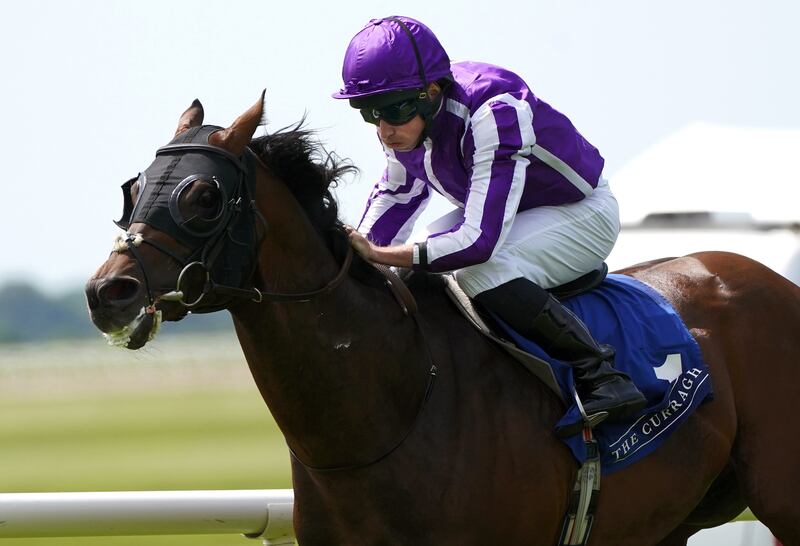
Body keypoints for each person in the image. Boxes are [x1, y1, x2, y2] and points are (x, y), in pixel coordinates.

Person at [332, 16, 646, 437]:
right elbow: (395, 200)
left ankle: (602, 375)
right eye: (369, 113)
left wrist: (382, 255)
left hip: (581, 212)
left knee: (478, 270)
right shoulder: (403, 125)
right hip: (515, 214)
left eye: (393, 110)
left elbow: (479, 243)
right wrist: (353, 260)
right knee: (406, 269)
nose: (384, 129)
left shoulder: (493, 111)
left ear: (431, 93)